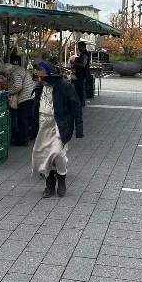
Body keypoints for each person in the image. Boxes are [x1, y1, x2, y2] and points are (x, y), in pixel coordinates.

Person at [31, 61, 83, 198]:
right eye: (39, 77)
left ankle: (62, 180)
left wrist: (79, 127)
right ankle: (49, 184)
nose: (41, 80)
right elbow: (35, 107)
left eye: (43, 77)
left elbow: (76, 105)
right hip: (43, 124)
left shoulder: (64, 85)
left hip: (60, 124)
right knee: (45, 154)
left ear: (50, 75)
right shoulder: (39, 87)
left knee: (58, 154)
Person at [1, 63, 38, 146]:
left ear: (9, 70)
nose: (7, 75)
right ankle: (27, 135)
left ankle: (23, 140)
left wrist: (8, 92)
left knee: (22, 119)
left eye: (6, 73)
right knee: (26, 118)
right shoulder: (20, 68)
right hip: (30, 95)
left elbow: (18, 86)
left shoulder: (15, 73)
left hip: (25, 97)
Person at [72, 41, 90, 107]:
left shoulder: (84, 54)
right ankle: (80, 101)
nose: (78, 48)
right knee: (79, 88)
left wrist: (74, 63)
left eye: (79, 47)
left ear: (83, 46)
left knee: (80, 88)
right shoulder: (83, 53)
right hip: (81, 73)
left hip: (82, 74)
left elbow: (83, 65)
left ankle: (81, 102)